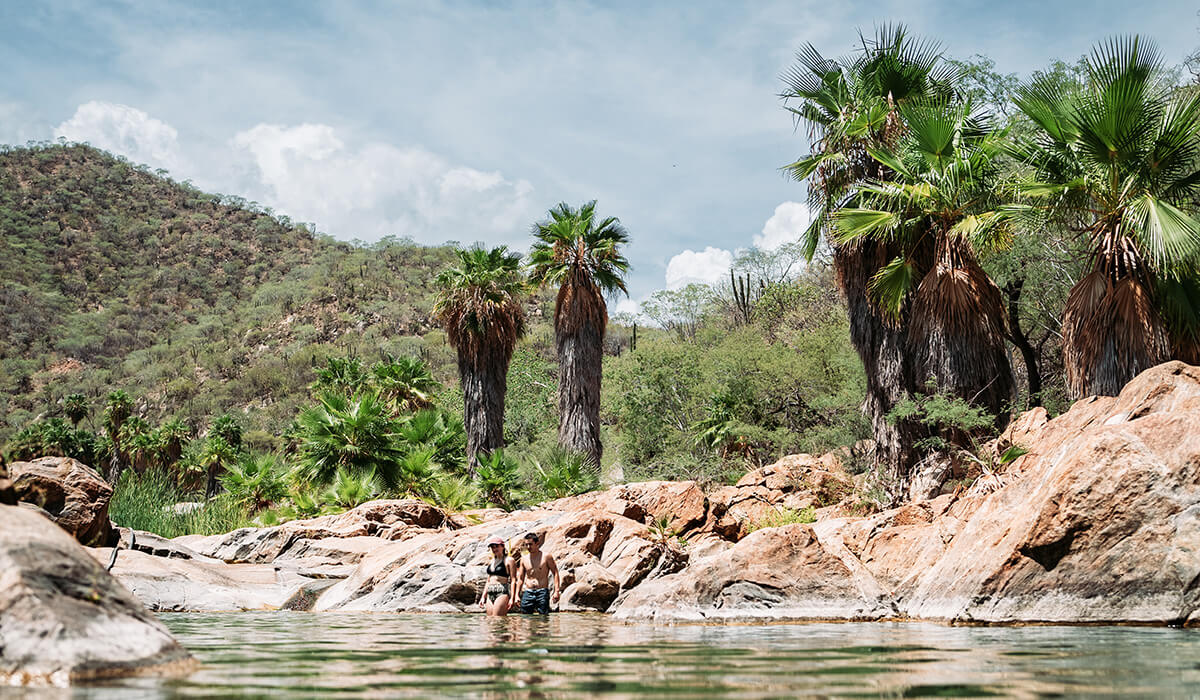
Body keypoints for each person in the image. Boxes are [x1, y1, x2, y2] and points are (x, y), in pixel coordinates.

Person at [513, 531, 559, 614]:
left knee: (543, 619)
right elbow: (520, 579)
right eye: (526, 544)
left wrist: (556, 591)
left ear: (537, 543)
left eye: (530, 544)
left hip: (542, 592)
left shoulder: (546, 557)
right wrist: (517, 595)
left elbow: (555, 573)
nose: (528, 547)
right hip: (528, 592)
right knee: (525, 618)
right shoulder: (524, 559)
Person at [477, 535, 516, 616]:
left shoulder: (509, 560)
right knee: (490, 621)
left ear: (503, 546)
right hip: (490, 592)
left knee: (498, 619)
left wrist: (512, 598)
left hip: (501, 591)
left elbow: (513, 580)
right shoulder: (492, 561)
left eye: (496, 546)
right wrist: (483, 597)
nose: (494, 549)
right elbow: (488, 580)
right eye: (492, 547)